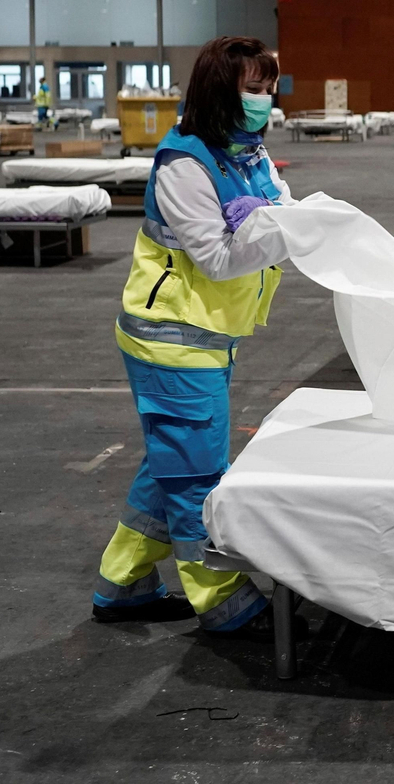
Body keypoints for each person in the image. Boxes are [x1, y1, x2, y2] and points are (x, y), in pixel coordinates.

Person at [91, 36, 297, 641]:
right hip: (172, 340)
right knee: (199, 475)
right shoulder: (186, 163)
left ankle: (122, 582)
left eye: (268, 88)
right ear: (218, 90)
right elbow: (216, 258)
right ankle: (222, 599)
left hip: (208, 337)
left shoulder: (248, 154)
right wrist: (288, 234)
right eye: (252, 88)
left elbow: (284, 209)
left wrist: (308, 222)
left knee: (174, 464)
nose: (263, 100)